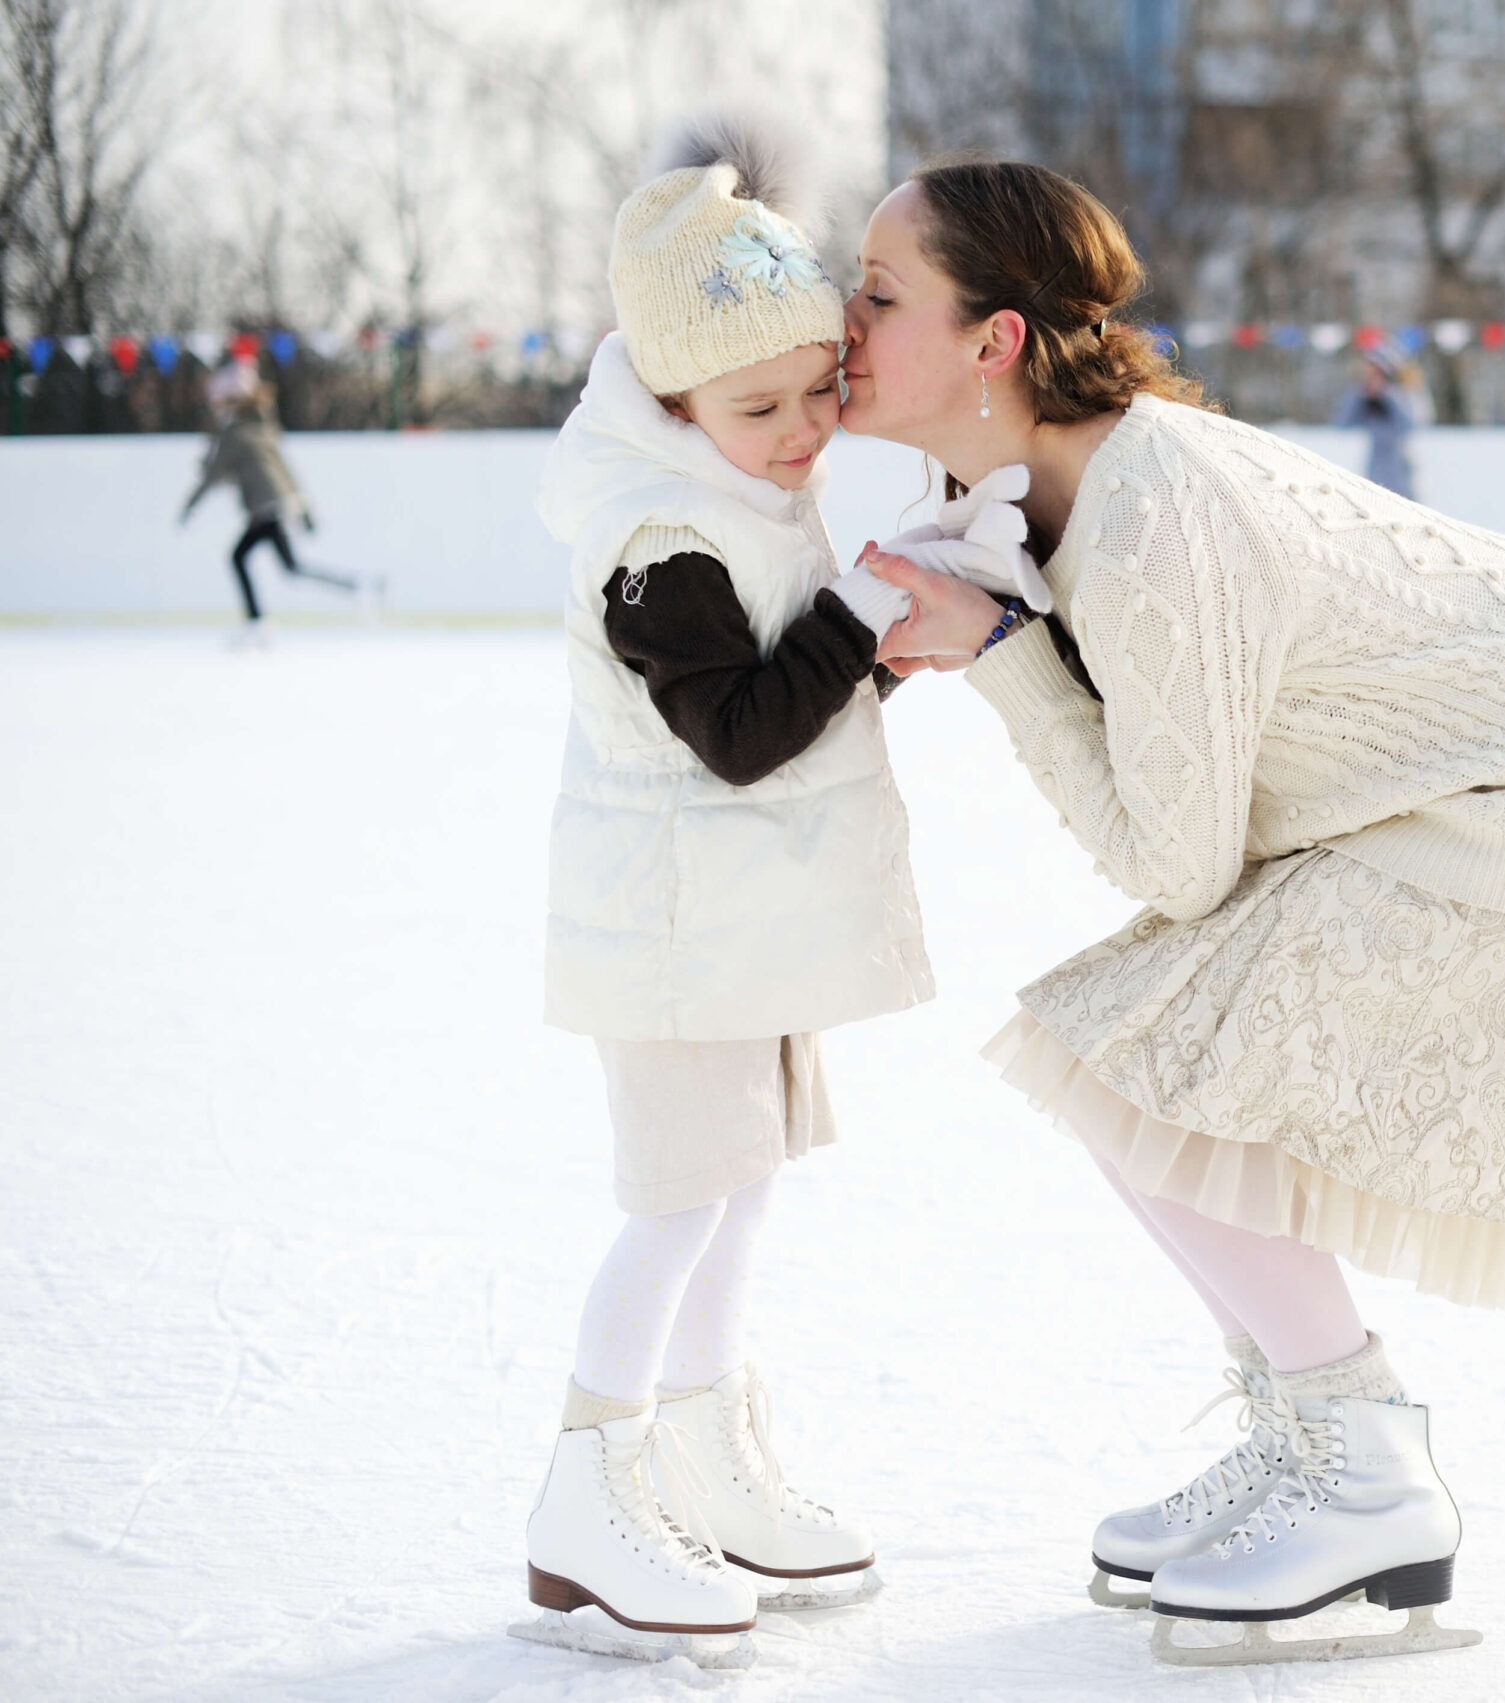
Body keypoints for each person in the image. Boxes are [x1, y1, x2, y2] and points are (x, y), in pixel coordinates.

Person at [846, 160, 1505, 1666]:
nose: (845, 321)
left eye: (878, 293)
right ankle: (1308, 1430)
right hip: (1446, 799)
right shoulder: (1021, 480)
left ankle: (1362, 1467)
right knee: (1136, 1054)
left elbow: (1177, 863)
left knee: (1135, 1053)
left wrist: (1000, 648)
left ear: (994, 339)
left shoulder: (1154, 511)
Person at [514, 117, 963, 1668]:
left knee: (744, 1180)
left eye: (818, 395)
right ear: (670, 394)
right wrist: (856, 613)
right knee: (675, 1203)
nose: (800, 433)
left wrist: (881, 639)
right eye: (757, 406)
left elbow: (800, 694)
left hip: (742, 925)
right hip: (678, 930)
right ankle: (593, 1473)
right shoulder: (655, 539)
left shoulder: (739, 491)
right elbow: (742, 736)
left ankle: (701, 1449)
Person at [178, 361, 353, 635]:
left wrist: (189, 507)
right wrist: (303, 510)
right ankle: (354, 588)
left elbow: (213, 476)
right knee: (291, 568)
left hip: (264, 508)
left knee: (239, 558)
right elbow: (279, 471)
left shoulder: (234, 434)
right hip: (276, 506)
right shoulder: (262, 429)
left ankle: (256, 621)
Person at [1330, 351, 1417, 496]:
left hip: (1400, 466)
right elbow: (1341, 424)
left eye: (1374, 374)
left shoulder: (1399, 395)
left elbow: (1408, 425)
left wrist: (1386, 394)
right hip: (1375, 466)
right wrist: (1359, 395)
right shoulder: (1363, 400)